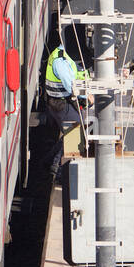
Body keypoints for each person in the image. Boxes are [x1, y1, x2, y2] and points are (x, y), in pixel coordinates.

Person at [38, 41, 88, 182]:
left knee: (71, 131)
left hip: (58, 101)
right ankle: (58, 169)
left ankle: (47, 162)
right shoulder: (60, 60)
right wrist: (86, 95)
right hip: (59, 102)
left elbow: (77, 72)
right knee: (75, 131)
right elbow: (70, 84)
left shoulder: (63, 55)